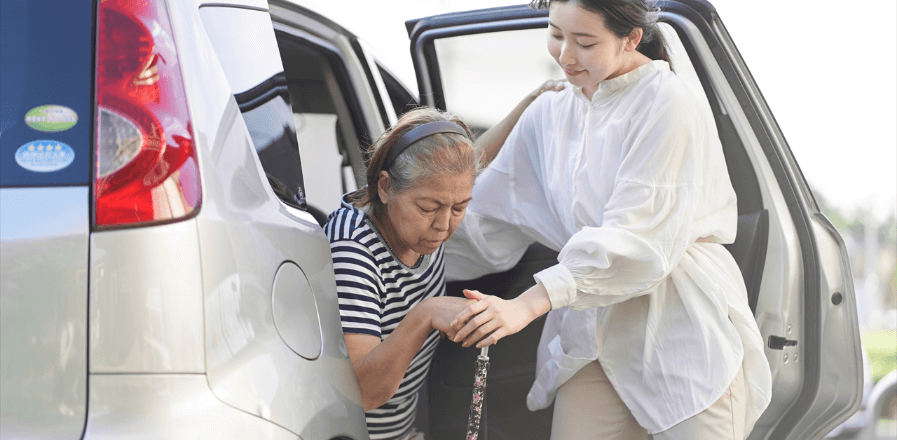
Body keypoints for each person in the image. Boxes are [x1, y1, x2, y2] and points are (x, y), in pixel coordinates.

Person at [443, 0, 773, 439]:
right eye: (556, 34)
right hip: (592, 339)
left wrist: (525, 306)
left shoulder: (668, 104)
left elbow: (635, 240)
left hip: (679, 330)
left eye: (584, 42)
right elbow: (484, 210)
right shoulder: (550, 112)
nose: (564, 56)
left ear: (631, 39)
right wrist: (399, 249)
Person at [323, 102, 561, 440]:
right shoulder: (354, 250)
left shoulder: (422, 217)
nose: (444, 225)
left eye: (460, 207)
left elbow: (472, 161)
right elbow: (364, 393)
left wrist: (535, 99)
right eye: (429, 207)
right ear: (386, 187)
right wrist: (426, 314)